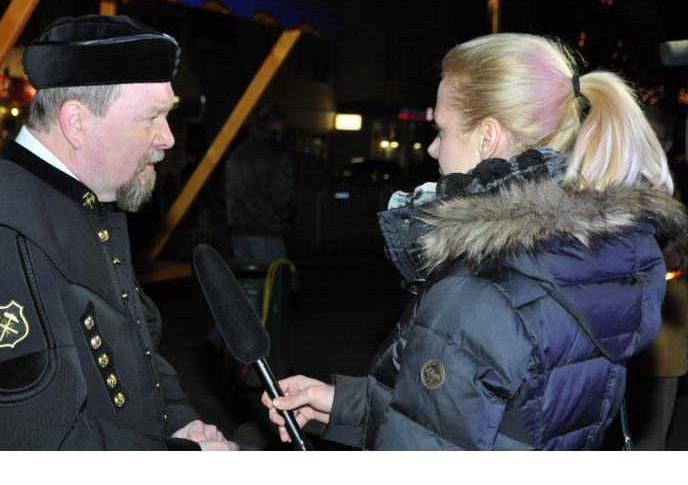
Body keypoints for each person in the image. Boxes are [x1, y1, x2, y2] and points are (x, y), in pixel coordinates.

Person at [262, 32, 687, 450]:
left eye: (441, 130)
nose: (432, 148)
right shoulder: (584, 255)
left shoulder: (481, 291)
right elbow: (485, 424)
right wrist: (344, 406)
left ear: (488, 137)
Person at [0, 14, 237, 450]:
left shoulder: (81, 200)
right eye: (152, 118)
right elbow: (29, 448)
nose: (168, 138)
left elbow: (136, 349)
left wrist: (179, 424)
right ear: (76, 122)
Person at [626, 102, 688, 450]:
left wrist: (677, 253)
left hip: (664, 329)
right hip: (621, 331)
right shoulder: (616, 176)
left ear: (667, 144)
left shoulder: (674, 187)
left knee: (652, 436)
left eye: (654, 135)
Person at [224, 105, 295, 263]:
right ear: (277, 125)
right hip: (267, 233)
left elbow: (226, 191)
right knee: (272, 277)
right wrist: (282, 222)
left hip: (238, 232)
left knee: (244, 277)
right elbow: (283, 198)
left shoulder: (238, 152)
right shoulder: (276, 155)